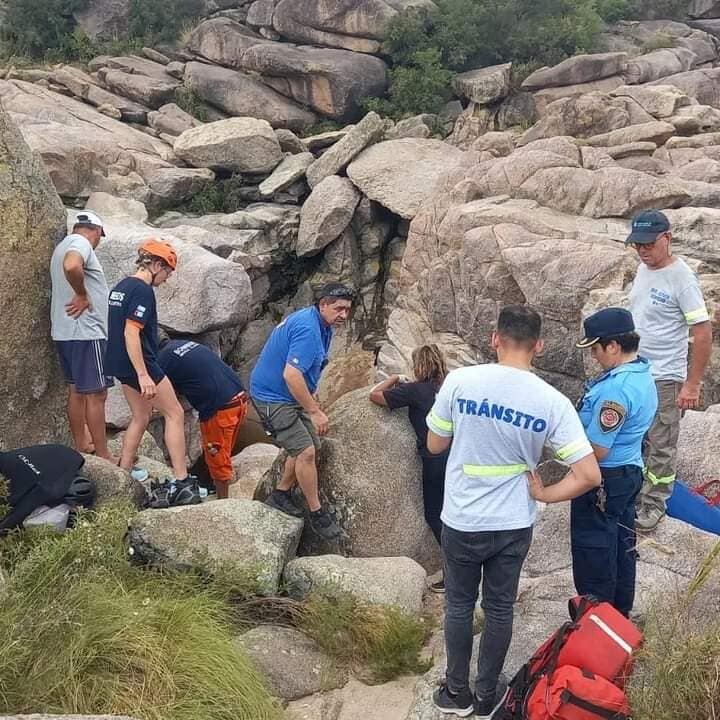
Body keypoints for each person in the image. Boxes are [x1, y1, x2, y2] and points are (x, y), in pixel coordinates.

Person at [426, 305, 601, 719]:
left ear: (494, 339)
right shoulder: (551, 401)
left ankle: (456, 693)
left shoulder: (460, 381)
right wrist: (546, 494)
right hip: (513, 522)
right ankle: (487, 695)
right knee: (500, 608)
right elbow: (589, 474)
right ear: (539, 346)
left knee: (458, 605)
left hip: (462, 518)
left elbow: (435, 445)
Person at [627, 210, 713, 531]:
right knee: (634, 437)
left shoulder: (682, 278)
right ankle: (633, 493)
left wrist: (692, 384)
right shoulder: (642, 269)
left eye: (649, 244)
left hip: (665, 376)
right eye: (638, 245)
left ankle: (654, 504)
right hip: (634, 371)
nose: (643, 250)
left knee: (661, 442)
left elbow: (703, 331)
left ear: (667, 238)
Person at [250, 282, 355, 541]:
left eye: (347, 310)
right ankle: (317, 512)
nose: (343, 315)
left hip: (286, 395)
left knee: (311, 444)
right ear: (323, 305)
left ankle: (280, 495)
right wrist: (314, 411)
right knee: (305, 451)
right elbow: (292, 374)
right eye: (338, 308)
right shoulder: (309, 329)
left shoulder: (320, 324)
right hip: (272, 398)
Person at [574, 308, 658, 617]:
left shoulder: (616, 389)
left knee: (593, 551)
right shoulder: (641, 373)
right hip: (629, 472)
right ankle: (620, 616)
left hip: (603, 480)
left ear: (612, 346)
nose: (594, 356)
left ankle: (596, 624)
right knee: (623, 546)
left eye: (595, 348)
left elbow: (597, 449)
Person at [105, 239, 197, 505]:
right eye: (168, 271)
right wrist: (144, 374)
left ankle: (123, 472)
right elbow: (131, 332)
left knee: (141, 416)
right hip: (140, 364)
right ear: (156, 265)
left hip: (120, 363)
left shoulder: (120, 287)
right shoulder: (142, 291)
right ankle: (181, 479)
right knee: (175, 413)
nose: (167, 278)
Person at [369, 344, 449, 593]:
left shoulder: (415, 391)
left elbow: (375, 395)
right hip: (459, 458)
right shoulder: (448, 388)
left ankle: (453, 573)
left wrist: (393, 379)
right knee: (456, 514)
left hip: (435, 460)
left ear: (419, 365)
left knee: (435, 516)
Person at [50, 210, 114, 461]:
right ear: (96, 231)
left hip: (66, 331)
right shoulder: (80, 244)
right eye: (100, 237)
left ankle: (82, 444)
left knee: (76, 390)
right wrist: (82, 294)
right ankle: (104, 454)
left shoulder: (62, 245)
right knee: (97, 394)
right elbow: (72, 265)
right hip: (86, 332)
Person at [157, 336, 248, 499]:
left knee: (217, 459)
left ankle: (222, 503)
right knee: (223, 454)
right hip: (239, 397)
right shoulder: (184, 344)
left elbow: (164, 394)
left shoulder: (162, 360)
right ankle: (215, 489)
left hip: (220, 408)